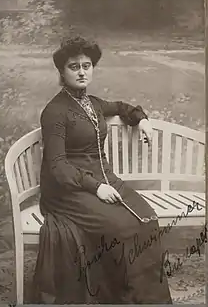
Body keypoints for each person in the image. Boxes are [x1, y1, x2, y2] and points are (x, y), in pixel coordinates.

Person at [32, 35, 172, 304]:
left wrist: (141, 119)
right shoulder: (55, 111)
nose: (82, 71)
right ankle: (120, 297)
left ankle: (147, 300)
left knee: (148, 220)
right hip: (69, 191)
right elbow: (58, 166)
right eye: (74, 67)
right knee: (122, 227)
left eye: (87, 65)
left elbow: (121, 107)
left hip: (104, 179)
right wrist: (96, 187)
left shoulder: (92, 103)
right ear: (62, 72)